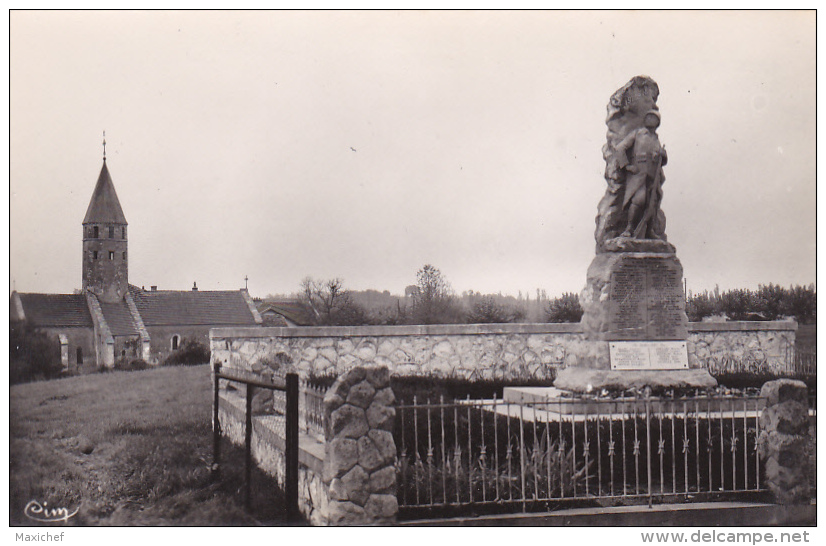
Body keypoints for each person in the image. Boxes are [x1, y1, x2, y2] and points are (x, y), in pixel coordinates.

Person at [613, 110, 667, 239]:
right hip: (638, 175)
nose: (650, 120)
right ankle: (629, 229)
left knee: (652, 203)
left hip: (653, 176)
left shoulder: (656, 138)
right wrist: (626, 166)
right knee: (639, 200)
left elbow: (662, 161)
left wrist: (663, 155)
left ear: (657, 122)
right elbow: (620, 148)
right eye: (648, 117)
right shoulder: (637, 134)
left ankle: (649, 231)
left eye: (653, 118)